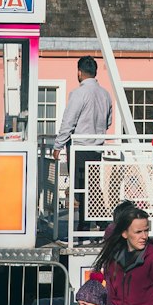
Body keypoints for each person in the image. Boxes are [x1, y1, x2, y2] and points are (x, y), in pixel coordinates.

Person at [53, 57, 114, 223]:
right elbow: (108, 121)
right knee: (92, 186)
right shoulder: (105, 94)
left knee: (81, 187)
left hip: (79, 147)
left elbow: (69, 121)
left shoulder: (78, 94)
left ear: (79, 72)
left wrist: (58, 145)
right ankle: (97, 223)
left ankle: (85, 227)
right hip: (97, 147)